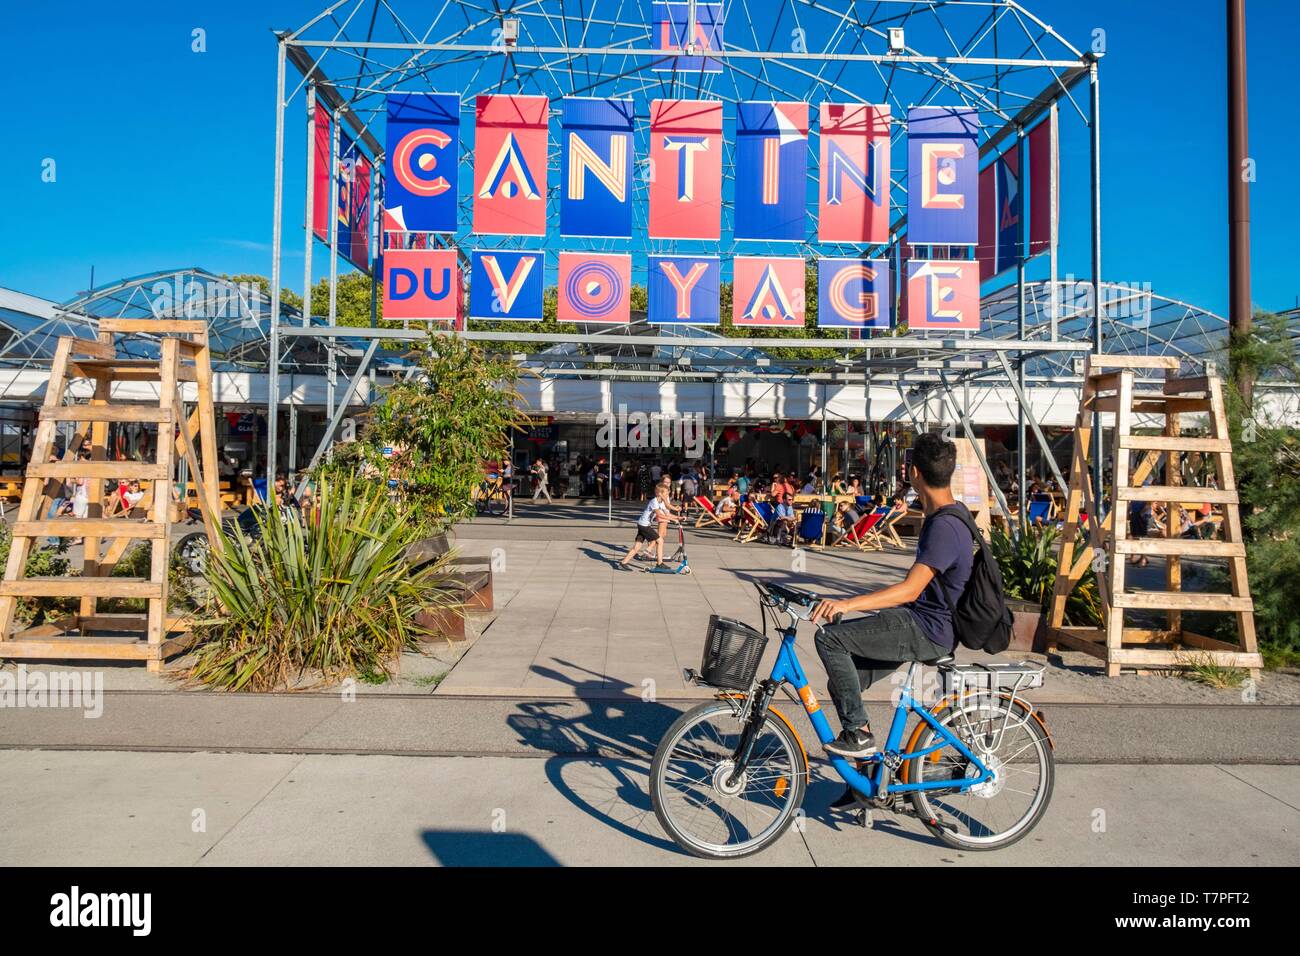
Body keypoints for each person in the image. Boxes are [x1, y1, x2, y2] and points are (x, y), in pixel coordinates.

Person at [809, 432, 974, 766]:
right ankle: (868, 777)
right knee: (844, 682)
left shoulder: (944, 526)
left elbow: (911, 589)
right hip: (926, 623)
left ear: (915, 473)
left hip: (926, 629)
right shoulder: (952, 514)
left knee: (829, 639)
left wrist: (846, 604)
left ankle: (859, 734)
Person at [619, 485, 677, 568]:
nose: (667, 495)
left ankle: (623, 563)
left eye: (668, 493)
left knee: (637, 546)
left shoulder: (660, 502)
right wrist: (672, 520)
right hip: (644, 525)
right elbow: (659, 514)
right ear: (659, 494)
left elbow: (667, 513)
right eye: (666, 493)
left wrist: (678, 518)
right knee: (660, 540)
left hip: (642, 524)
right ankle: (659, 563)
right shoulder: (654, 501)